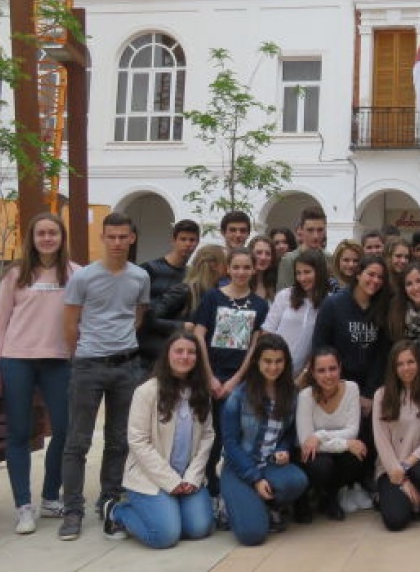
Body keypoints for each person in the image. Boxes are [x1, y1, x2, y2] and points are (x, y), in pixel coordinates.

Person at [59, 212, 150, 541]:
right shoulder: (83, 278)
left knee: (119, 440)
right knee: (78, 441)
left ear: (132, 238)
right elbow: (70, 325)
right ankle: (72, 510)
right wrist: (83, 354)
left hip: (126, 366)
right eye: (110, 236)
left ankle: (109, 500)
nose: (116, 242)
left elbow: (137, 316)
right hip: (88, 365)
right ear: (102, 237)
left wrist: (119, 343)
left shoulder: (140, 277)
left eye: (122, 236)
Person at [0, 212, 78, 534]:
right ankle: (23, 506)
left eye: (53, 232)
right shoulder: (16, 274)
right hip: (17, 360)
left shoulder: (75, 274)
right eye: (42, 233)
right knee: (20, 434)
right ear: (32, 238)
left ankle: (51, 497)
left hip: (58, 361)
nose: (48, 238)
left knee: (65, 431)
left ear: (62, 237)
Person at [102, 332, 216, 548]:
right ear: (167, 355)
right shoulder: (146, 392)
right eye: (179, 351)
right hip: (151, 478)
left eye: (191, 352)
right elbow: (138, 441)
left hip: (187, 478)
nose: (185, 356)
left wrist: (192, 477)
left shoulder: (201, 393)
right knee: (165, 535)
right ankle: (117, 511)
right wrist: (170, 481)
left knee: (199, 528)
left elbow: (208, 435)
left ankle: (173, 507)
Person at [190, 247, 271, 516]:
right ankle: (210, 489)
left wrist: (236, 380)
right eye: (235, 267)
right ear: (227, 268)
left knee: (234, 437)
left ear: (254, 270)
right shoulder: (213, 298)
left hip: (240, 381)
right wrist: (210, 376)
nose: (241, 272)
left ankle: (233, 492)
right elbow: (199, 335)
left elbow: (254, 347)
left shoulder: (260, 305)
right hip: (210, 377)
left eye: (246, 267)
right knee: (209, 437)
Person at [221, 333, 308, 545]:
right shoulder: (239, 396)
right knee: (253, 536)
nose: (273, 367)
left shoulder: (291, 394)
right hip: (240, 468)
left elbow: (288, 432)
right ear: (257, 362)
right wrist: (255, 478)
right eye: (267, 361)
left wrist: (285, 448)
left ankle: (265, 504)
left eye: (279, 361)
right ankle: (233, 505)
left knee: (297, 481)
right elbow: (230, 443)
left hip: (270, 464)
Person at [372, 340, 420, 531]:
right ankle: (395, 496)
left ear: (419, 364)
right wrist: (400, 475)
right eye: (400, 364)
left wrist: (407, 464)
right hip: (390, 469)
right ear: (393, 368)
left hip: (416, 464)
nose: (406, 368)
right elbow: (381, 441)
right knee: (396, 521)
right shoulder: (381, 395)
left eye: (411, 362)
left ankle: (419, 493)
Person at [312, 254, 391, 420]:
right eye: (370, 274)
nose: (375, 280)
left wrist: (369, 394)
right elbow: (320, 347)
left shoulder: (384, 307)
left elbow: (382, 354)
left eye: (380, 277)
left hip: (371, 389)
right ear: (358, 274)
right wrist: (333, 387)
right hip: (336, 384)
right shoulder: (333, 304)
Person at [297, 348, 367, 521]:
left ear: (340, 368)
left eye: (332, 368)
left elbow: (352, 431)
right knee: (323, 465)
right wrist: (345, 443)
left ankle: (331, 496)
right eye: (321, 370)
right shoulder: (305, 396)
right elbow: (305, 442)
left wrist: (319, 436)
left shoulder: (352, 388)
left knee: (356, 456)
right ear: (313, 373)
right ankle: (309, 495)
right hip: (314, 456)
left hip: (330, 451)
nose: (328, 375)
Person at [148, 246, 227, 374]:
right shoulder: (184, 291)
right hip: (178, 357)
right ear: (214, 265)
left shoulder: (219, 293)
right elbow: (151, 320)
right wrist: (182, 325)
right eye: (225, 262)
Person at [139, 220, 200, 368]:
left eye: (192, 240)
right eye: (183, 239)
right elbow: (144, 317)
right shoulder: (149, 269)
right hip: (147, 353)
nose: (188, 244)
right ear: (173, 240)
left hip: (177, 353)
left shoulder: (192, 275)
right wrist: (182, 326)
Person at [264, 248, 328, 383]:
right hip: (271, 368)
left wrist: (304, 375)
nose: (302, 278)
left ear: (319, 272)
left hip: (301, 377)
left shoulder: (328, 303)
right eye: (298, 273)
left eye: (307, 272)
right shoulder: (285, 296)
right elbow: (267, 333)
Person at [277, 206, 328, 292]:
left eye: (320, 230)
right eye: (310, 230)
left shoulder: (329, 258)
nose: (316, 235)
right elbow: (283, 297)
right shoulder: (289, 260)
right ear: (301, 230)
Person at [247, 235, 278, 302]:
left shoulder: (276, 284)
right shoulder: (242, 282)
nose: (263, 257)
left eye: (268, 254)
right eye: (259, 253)